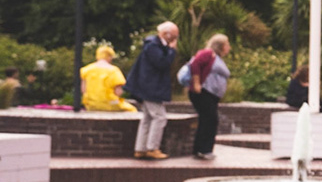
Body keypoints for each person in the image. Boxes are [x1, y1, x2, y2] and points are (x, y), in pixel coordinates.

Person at [123, 23, 180, 159]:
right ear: (166, 34)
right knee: (160, 117)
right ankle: (152, 148)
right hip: (150, 87)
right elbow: (162, 63)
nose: (176, 39)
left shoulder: (153, 45)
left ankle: (141, 148)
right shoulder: (153, 46)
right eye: (174, 35)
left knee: (147, 118)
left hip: (147, 86)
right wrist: (172, 51)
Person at [185, 34, 231, 160]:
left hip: (211, 95)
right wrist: (196, 83)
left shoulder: (218, 58)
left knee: (207, 120)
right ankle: (204, 149)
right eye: (227, 45)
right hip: (203, 92)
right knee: (210, 120)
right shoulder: (208, 53)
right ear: (220, 46)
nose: (229, 47)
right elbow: (195, 64)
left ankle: (201, 149)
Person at [80, 45, 136, 112]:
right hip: (110, 103)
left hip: (91, 104)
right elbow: (118, 92)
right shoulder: (114, 70)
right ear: (109, 57)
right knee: (132, 109)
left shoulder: (86, 70)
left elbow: (83, 90)